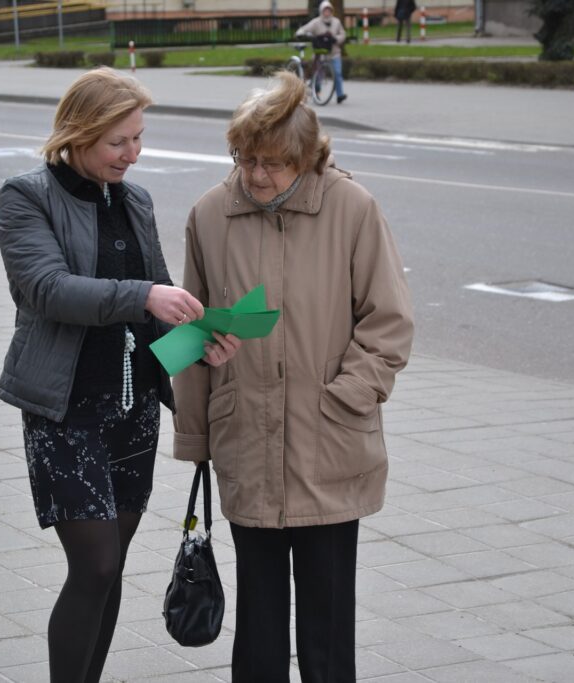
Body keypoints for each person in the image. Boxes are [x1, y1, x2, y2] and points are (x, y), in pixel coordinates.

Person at [0, 67, 240, 683]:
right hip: (65, 409)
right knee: (96, 565)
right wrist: (145, 296)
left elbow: (154, 323)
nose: (132, 153)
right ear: (79, 133)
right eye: (118, 141)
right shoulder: (27, 197)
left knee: (113, 564)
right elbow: (47, 289)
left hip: (131, 414)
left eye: (138, 137)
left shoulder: (135, 201)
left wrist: (197, 343)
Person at [173, 72, 413, 683]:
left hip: (326, 442)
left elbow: (388, 322)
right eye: (245, 159)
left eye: (273, 164)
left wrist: (347, 400)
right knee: (258, 624)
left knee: (329, 625)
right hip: (247, 444)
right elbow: (188, 333)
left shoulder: (352, 209)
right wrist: (199, 415)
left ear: (307, 158)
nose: (255, 176)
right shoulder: (209, 216)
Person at [296, 0, 348, 104]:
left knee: (337, 73)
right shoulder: (316, 22)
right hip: (320, 53)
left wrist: (336, 39)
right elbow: (305, 29)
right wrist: (300, 33)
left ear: (331, 11)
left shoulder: (336, 22)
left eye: (329, 10)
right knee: (318, 75)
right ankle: (317, 92)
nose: (327, 12)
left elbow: (343, 34)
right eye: (325, 10)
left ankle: (340, 94)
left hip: (334, 53)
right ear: (321, 11)